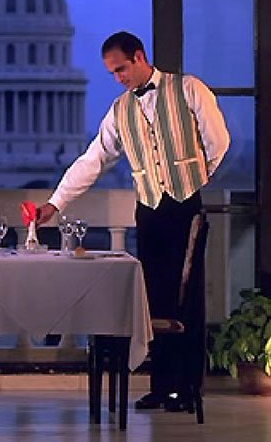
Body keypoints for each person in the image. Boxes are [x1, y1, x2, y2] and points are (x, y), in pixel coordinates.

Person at [36, 31, 230, 411]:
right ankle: (162, 386)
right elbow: (93, 160)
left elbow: (217, 141)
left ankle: (187, 389)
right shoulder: (120, 109)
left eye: (121, 69)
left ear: (140, 56)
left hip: (185, 206)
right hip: (149, 209)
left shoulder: (189, 88)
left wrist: (194, 178)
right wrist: (55, 204)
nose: (118, 78)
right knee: (152, 299)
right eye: (112, 72)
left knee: (186, 298)